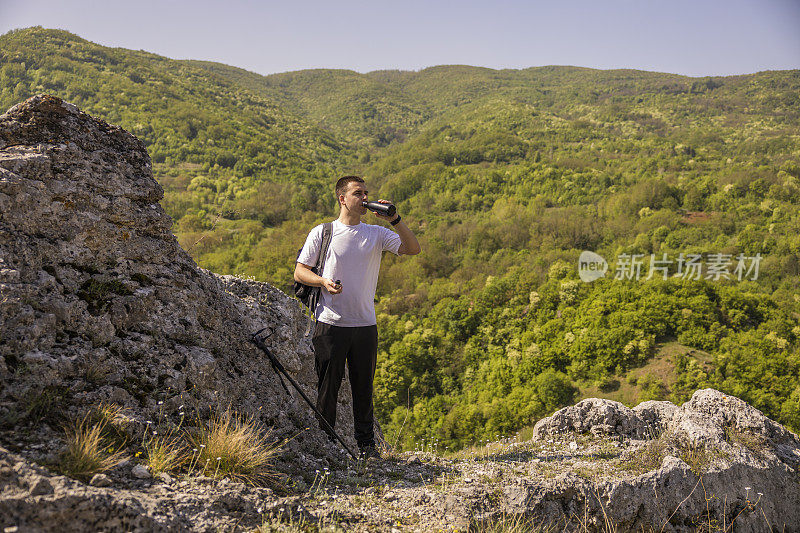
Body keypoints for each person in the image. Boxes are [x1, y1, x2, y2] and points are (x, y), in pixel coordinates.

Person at [294, 175, 420, 458]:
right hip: (330, 323)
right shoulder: (323, 232)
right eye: (357, 193)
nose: (364, 198)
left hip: (365, 325)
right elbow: (300, 271)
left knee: (364, 389)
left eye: (366, 193)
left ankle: (367, 448)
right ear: (342, 199)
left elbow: (413, 249)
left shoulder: (376, 234)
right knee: (328, 388)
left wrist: (395, 219)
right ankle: (326, 447)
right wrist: (323, 281)